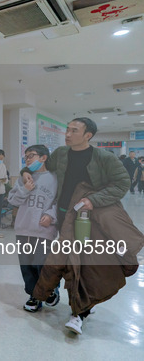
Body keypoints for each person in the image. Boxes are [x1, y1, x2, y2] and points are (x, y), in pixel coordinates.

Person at [23, 117, 131, 335]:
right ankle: (45, 296)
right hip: (63, 217)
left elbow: (122, 183)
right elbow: (40, 167)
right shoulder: (61, 154)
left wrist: (94, 200)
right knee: (58, 259)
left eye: (74, 130)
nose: (68, 134)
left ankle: (79, 311)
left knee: (82, 264)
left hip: (88, 220)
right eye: (67, 129)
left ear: (88, 135)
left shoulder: (103, 158)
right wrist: (25, 172)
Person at [7, 145, 60, 312]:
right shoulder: (23, 178)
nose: (28, 159)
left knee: (43, 264)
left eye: (32, 156)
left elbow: (61, 202)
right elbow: (13, 201)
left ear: (43, 158)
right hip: (23, 228)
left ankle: (51, 290)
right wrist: (25, 189)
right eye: (26, 156)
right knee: (27, 266)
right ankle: (34, 296)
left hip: (44, 229)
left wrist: (51, 215)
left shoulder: (55, 178)